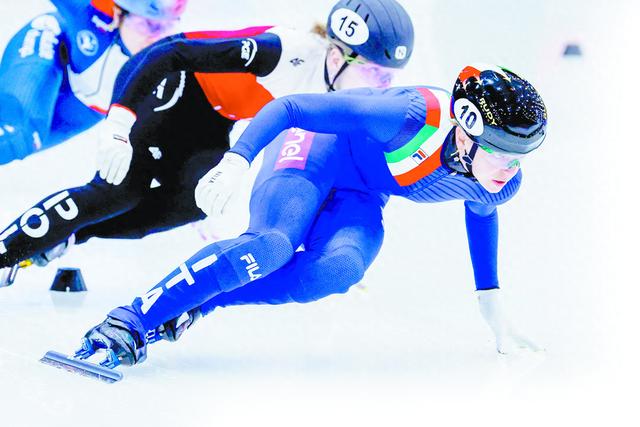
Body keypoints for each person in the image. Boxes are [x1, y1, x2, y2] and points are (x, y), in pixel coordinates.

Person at [75, 63, 548, 369]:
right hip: (314, 150)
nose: (510, 169)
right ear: (464, 133)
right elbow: (291, 107)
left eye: (521, 157)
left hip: (360, 192)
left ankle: (204, 299)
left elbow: (481, 215)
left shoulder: (498, 180)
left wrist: (491, 301)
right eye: (502, 153)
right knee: (273, 246)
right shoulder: (407, 116)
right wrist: (237, 160)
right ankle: (128, 321)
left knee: (340, 269)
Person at [0, 0, 414, 286]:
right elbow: (173, 52)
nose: (383, 86)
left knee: (192, 202)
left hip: (214, 117)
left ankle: (67, 236)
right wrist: (119, 121)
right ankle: (6, 250)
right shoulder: (282, 52)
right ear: (339, 58)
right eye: (377, 74)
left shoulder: (342, 93)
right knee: (119, 192)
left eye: (390, 78)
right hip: (174, 80)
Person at [0, 0, 189, 165]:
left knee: (22, 144)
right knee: (17, 136)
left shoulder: (178, 56)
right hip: (51, 46)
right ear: (118, 13)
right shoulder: (91, 12)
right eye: (147, 25)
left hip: (82, 109)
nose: (155, 38)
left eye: (166, 27)